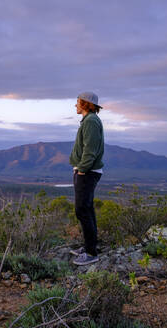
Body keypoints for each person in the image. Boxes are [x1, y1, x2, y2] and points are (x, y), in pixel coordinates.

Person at [69, 91, 104, 265]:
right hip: (86, 171)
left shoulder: (90, 121)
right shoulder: (88, 120)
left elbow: (90, 148)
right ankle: (90, 247)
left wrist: (82, 169)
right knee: (87, 209)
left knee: (82, 210)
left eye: (77, 102)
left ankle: (91, 253)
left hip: (87, 172)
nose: (75, 105)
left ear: (85, 103)